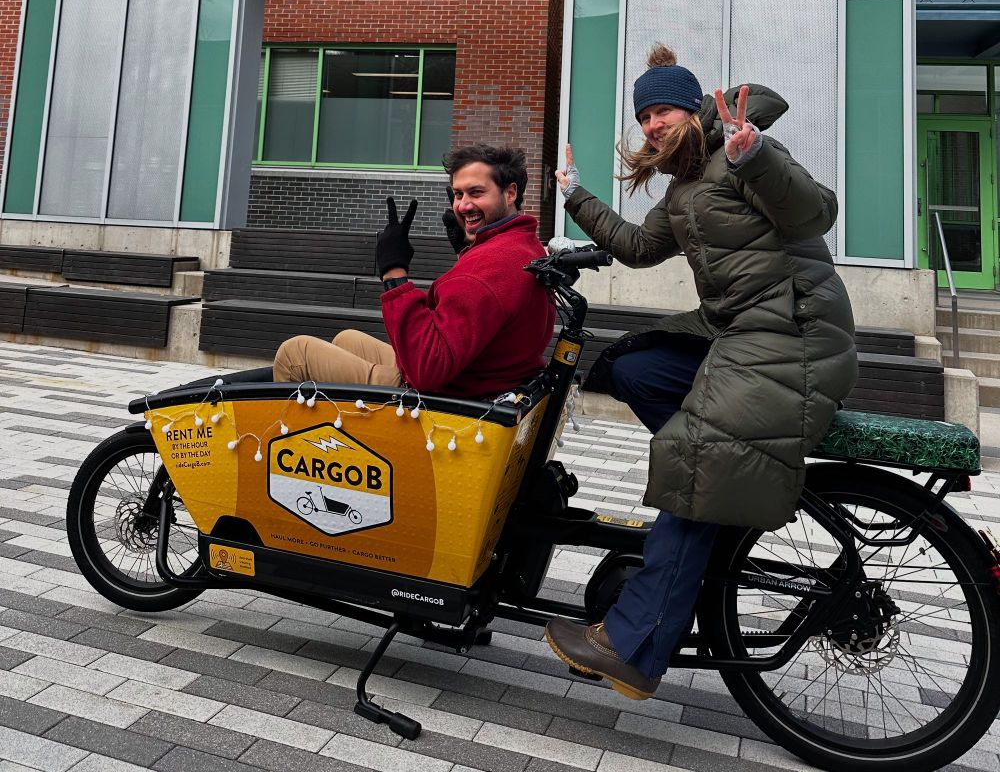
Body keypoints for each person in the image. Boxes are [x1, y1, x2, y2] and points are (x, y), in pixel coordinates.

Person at [544, 44, 857, 700]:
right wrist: (574, 196)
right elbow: (637, 247)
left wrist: (757, 155)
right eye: (644, 115)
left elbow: (817, 211)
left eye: (663, 110)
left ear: (693, 110)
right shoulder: (684, 188)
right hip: (740, 334)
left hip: (795, 334)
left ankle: (633, 645)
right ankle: (727, 484)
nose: (652, 124)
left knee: (700, 458)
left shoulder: (741, 154)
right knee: (634, 368)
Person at [273, 144, 556, 400]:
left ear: (510, 193)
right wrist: (466, 251)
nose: (463, 205)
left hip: (444, 400)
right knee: (347, 339)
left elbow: (427, 370)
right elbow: (481, 309)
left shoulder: (486, 269)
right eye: (458, 194)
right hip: (479, 378)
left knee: (295, 353)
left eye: (476, 193)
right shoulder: (523, 246)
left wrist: (394, 274)